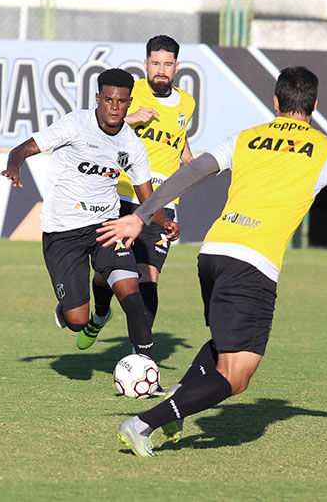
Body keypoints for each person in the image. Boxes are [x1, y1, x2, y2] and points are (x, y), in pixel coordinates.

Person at [97, 66, 327, 456]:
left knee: (223, 346)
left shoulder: (247, 137)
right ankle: (144, 423)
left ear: (275, 102)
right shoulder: (326, 151)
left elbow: (192, 171)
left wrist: (142, 213)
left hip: (214, 252)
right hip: (253, 263)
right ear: (315, 105)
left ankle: (178, 405)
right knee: (237, 377)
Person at [1, 68, 179, 363]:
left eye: (121, 101)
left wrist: (165, 222)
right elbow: (24, 148)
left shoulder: (132, 145)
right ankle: (82, 308)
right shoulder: (76, 124)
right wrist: (14, 166)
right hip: (63, 231)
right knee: (77, 322)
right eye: (108, 100)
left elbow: (147, 200)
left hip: (106, 227)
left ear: (129, 103)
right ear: (98, 98)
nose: (114, 107)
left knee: (132, 294)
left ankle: (147, 369)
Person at [91, 36, 195, 391]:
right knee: (108, 274)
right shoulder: (127, 92)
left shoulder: (188, 103)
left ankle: (142, 358)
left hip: (162, 202)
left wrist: (190, 161)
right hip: (119, 196)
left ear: (176, 67)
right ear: (145, 64)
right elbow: (100, 127)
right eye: (154, 63)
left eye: (167, 64)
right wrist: (130, 118)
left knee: (148, 277)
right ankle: (100, 312)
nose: (160, 70)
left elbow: (178, 137)